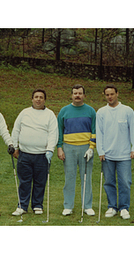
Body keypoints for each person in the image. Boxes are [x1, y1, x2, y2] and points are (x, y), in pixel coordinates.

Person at [11, 89, 58, 216]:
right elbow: (16, 130)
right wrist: (14, 146)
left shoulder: (50, 114)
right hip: (25, 154)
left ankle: (37, 205)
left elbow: (53, 133)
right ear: (32, 99)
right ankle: (22, 206)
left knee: (40, 181)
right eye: (36, 97)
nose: (38, 99)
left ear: (44, 100)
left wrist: (50, 150)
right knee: (24, 181)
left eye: (41, 97)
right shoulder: (24, 113)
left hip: (42, 155)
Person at [96, 84, 134, 220]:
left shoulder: (127, 110)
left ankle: (124, 207)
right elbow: (99, 132)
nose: (110, 97)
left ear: (117, 94)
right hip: (107, 155)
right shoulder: (101, 112)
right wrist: (100, 151)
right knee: (109, 182)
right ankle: (112, 207)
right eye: (107, 94)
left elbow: (133, 130)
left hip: (124, 155)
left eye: (112, 94)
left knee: (125, 182)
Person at [57, 84, 96, 216]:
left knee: (86, 177)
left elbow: (94, 131)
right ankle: (68, 206)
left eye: (80, 93)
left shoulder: (91, 111)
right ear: (71, 95)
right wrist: (59, 148)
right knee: (70, 177)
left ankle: (87, 206)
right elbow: (59, 131)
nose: (77, 95)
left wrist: (91, 147)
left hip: (86, 147)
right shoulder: (64, 111)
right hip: (68, 148)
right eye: (75, 93)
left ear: (84, 95)